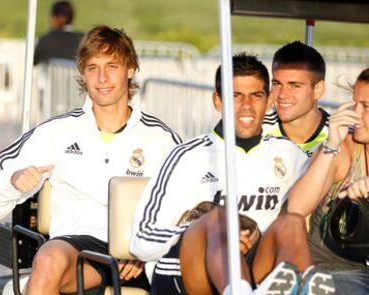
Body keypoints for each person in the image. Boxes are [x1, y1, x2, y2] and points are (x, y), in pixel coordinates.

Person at [0, 25, 181, 295]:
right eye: (92, 68)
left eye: (112, 66)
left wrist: (147, 250)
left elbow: (189, 206)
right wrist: (15, 181)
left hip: (140, 258)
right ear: (82, 74)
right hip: (77, 250)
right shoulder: (56, 132)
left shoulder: (162, 139)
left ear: (131, 69)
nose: (102, 77)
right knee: (49, 258)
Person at [130, 53, 334, 294]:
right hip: (189, 270)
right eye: (235, 96)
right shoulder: (187, 156)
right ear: (218, 101)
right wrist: (208, 231)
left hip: (255, 263)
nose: (246, 105)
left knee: (291, 223)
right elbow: (141, 240)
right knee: (219, 220)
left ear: (268, 100)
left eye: (256, 95)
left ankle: (307, 286)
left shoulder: (290, 155)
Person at [288, 68, 369, 294]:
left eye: (367, 107)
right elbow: (297, 208)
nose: (356, 115)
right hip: (333, 270)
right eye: (355, 104)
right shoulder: (343, 149)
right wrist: (331, 144)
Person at [263, 41, 330, 156]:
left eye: (294, 86)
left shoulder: (341, 135)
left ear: (318, 89)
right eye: (277, 84)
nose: (282, 94)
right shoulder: (257, 129)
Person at [33, 1, 84, 65]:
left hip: (51, 75)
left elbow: (33, 62)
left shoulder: (46, 40)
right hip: (74, 74)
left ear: (56, 18)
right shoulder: (83, 40)